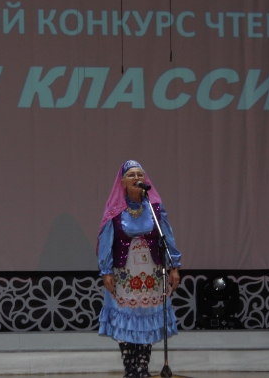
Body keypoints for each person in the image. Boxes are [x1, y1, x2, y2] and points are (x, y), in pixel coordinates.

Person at [97, 160, 182, 378]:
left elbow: (167, 238)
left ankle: (143, 368)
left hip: (151, 273)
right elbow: (106, 242)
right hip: (124, 274)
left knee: (147, 318)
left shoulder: (155, 209)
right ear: (123, 182)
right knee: (125, 317)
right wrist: (106, 271)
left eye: (140, 175)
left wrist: (174, 267)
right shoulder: (115, 211)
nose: (137, 178)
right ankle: (130, 369)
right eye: (131, 175)